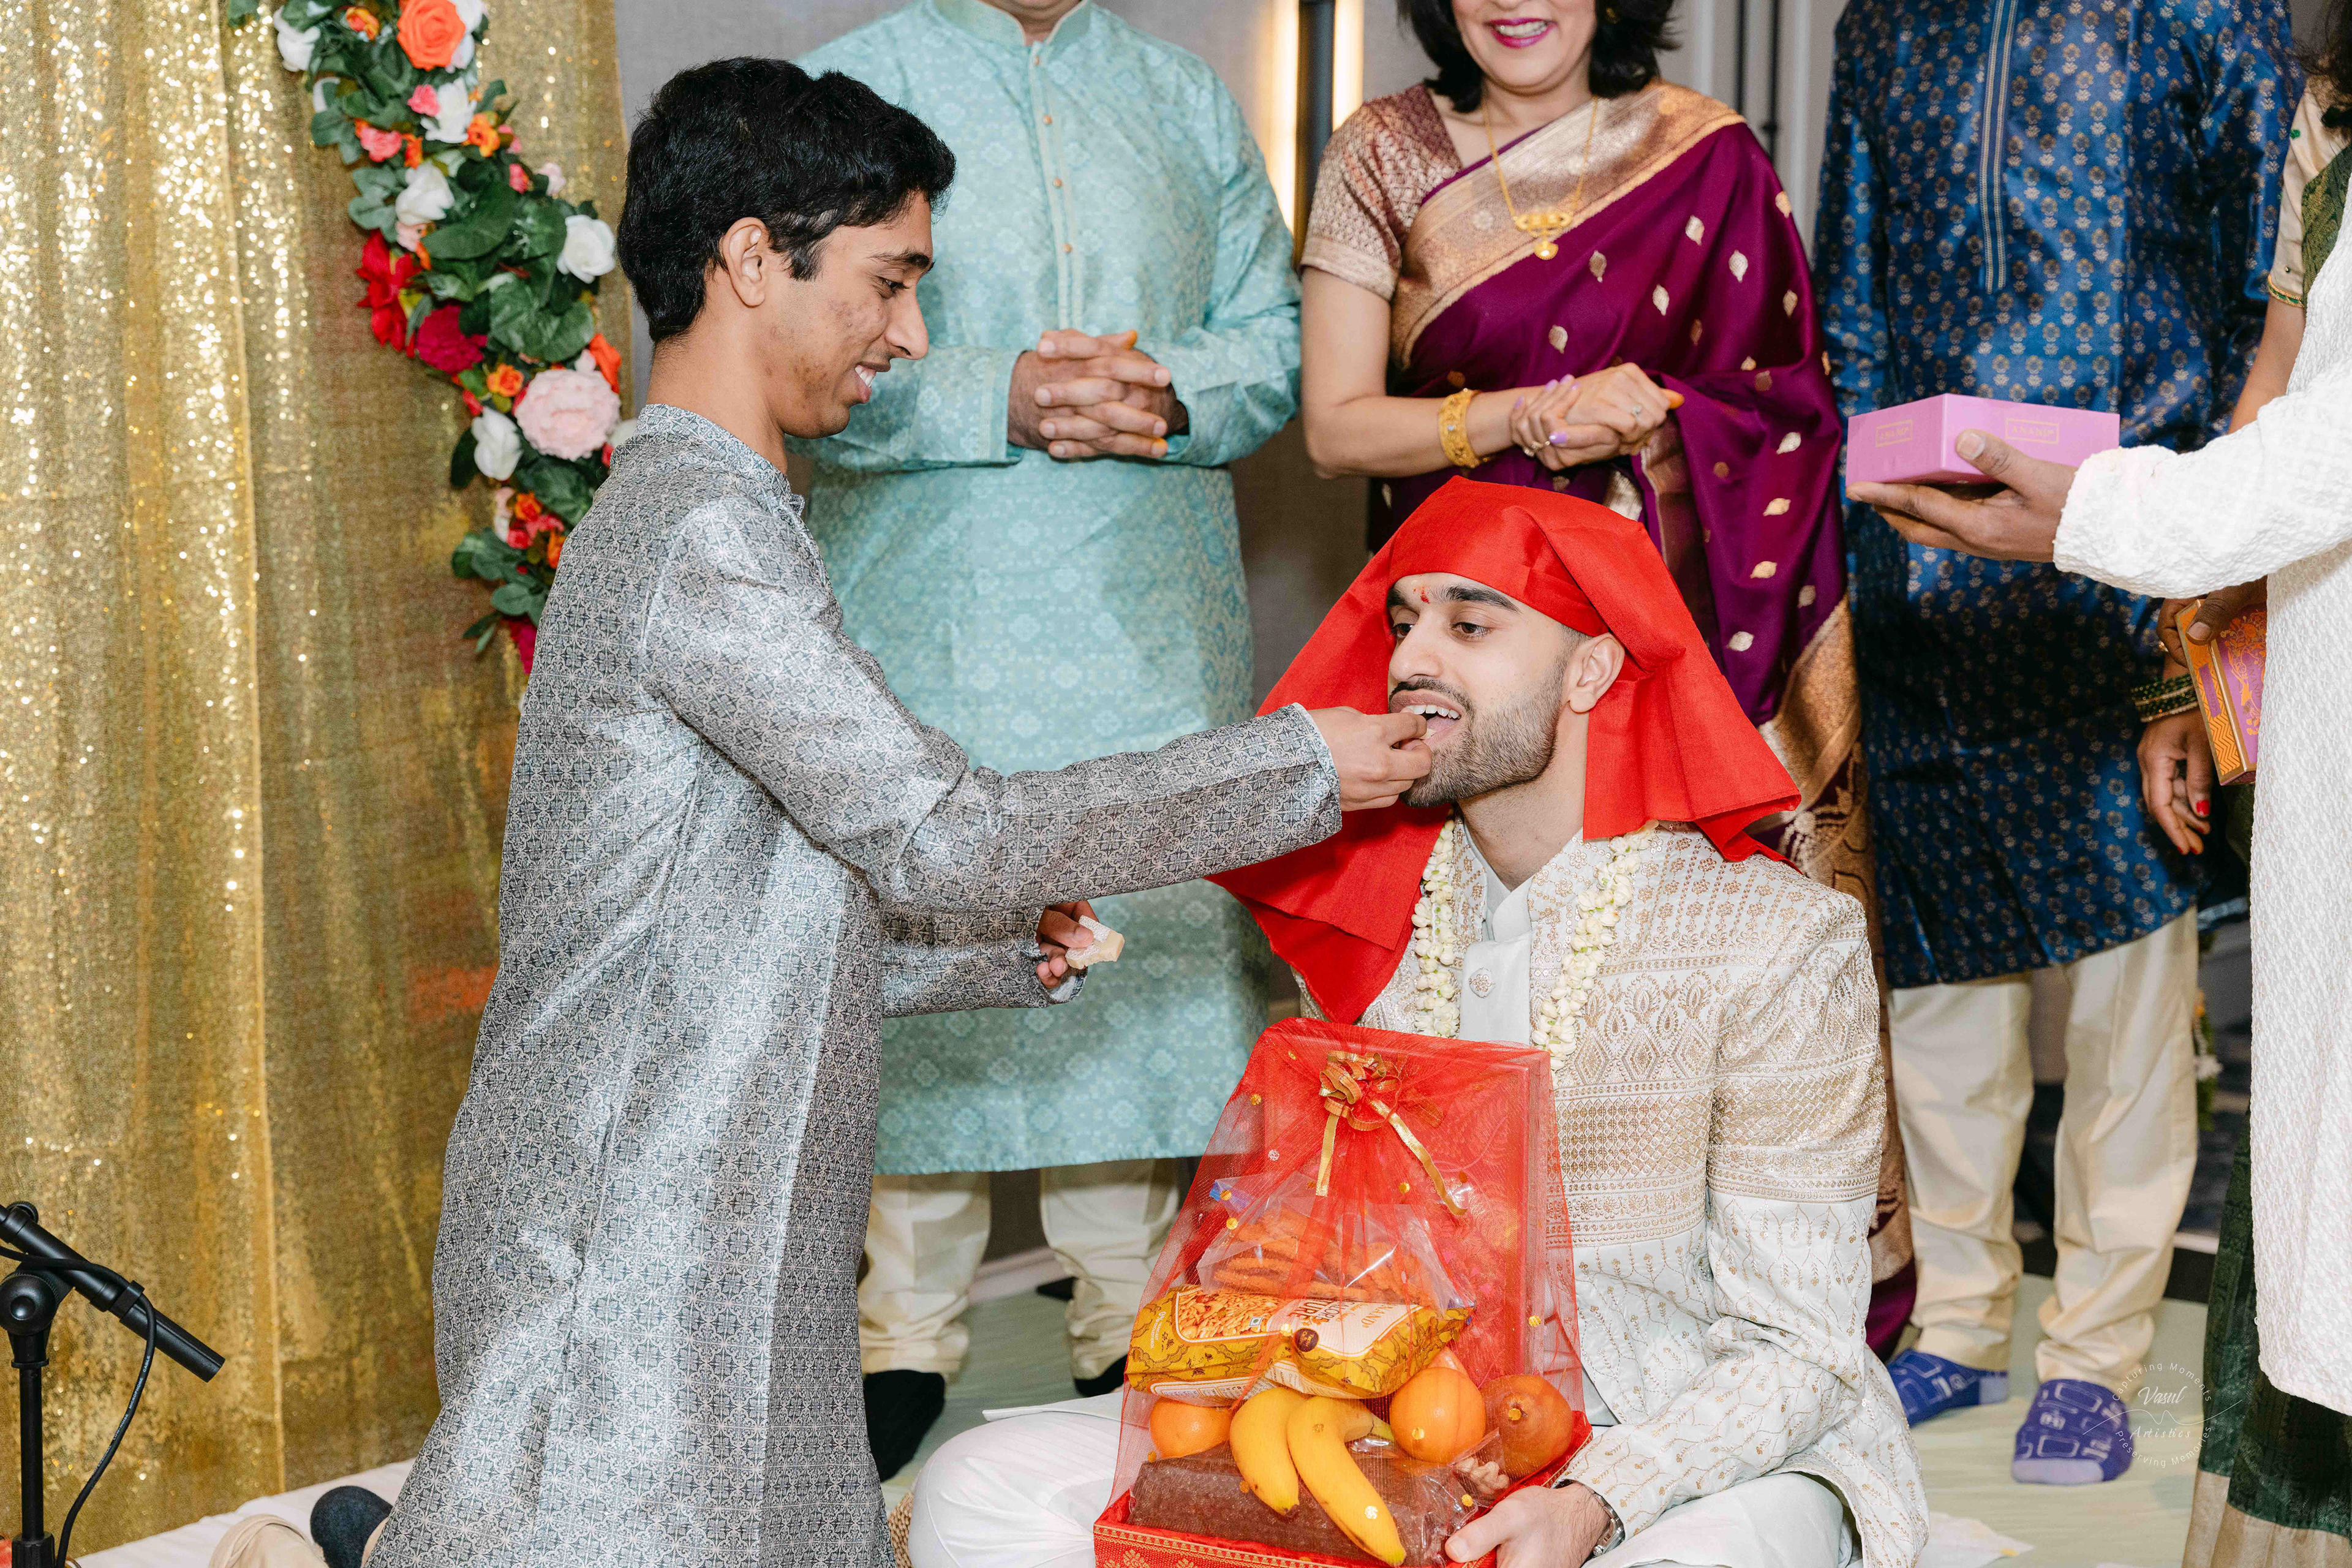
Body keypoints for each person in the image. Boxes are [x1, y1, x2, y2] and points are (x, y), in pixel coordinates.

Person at [366, 59, 1435, 1568]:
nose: (912, 335)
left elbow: (723, 933)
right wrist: (1296, 768)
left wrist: (987, 955)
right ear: (752, 259)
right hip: (628, 1245)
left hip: (714, 1219)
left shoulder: (728, 519)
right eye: (890, 281)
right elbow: (948, 835)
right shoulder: (697, 533)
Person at [902, 481, 1928, 1568]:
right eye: (1403, 624)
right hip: (1393, 1413)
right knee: (978, 1487)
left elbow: (1799, 1349)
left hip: (1674, 1434)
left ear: (1593, 670)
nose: (1410, 660)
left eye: (1471, 626)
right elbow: (1318, 1245)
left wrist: (1598, 1499)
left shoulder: (1772, 937)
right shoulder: (1369, 921)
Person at [1297, 0, 1914, 1346]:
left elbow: (1791, 411)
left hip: (1653, 626)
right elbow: (1336, 429)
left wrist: (1664, 420)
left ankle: (1700, 1298)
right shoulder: (1381, 150)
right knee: (1453, 950)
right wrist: (1527, 415)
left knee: (1648, 955)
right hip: (1464, 641)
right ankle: (1454, 1287)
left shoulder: (1708, 151)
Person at [1849, 49, 2352, 1563]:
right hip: (1987, 570)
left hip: (2133, 541)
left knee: (2139, 995)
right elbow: (1853, 295)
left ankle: (2096, 1348)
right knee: (1945, 979)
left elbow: (2255, 370)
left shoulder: (2205, 25)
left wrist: (2141, 586)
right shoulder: (1887, 30)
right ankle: (1960, 1310)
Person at [792, 0, 1306, 1474]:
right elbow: (794, 355)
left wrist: (1173, 391)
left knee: (1139, 923)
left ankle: (1127, 1308)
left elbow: (1275, 342)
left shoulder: (1183, 98)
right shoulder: (854, 83)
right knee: (925, 910)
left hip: (1145, 601)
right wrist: (996, 390)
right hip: (928, 591)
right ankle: (899, 1330)